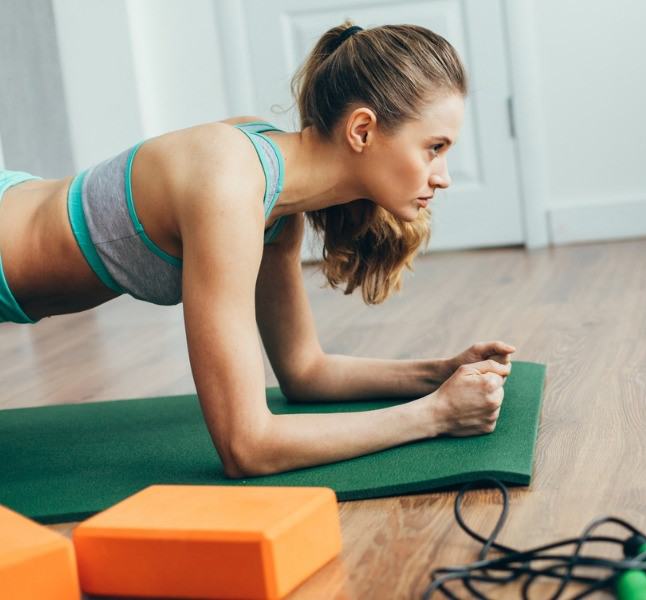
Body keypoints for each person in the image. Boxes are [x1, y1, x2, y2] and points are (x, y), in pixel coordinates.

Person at [0, 23, 516, 478]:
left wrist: (438, 373)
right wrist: (434, 415)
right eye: (435, 147)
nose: (443, 176)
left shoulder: (275, 206)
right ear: (362, 130)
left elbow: (304, 371)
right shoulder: (230, 184)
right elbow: (246, 447)